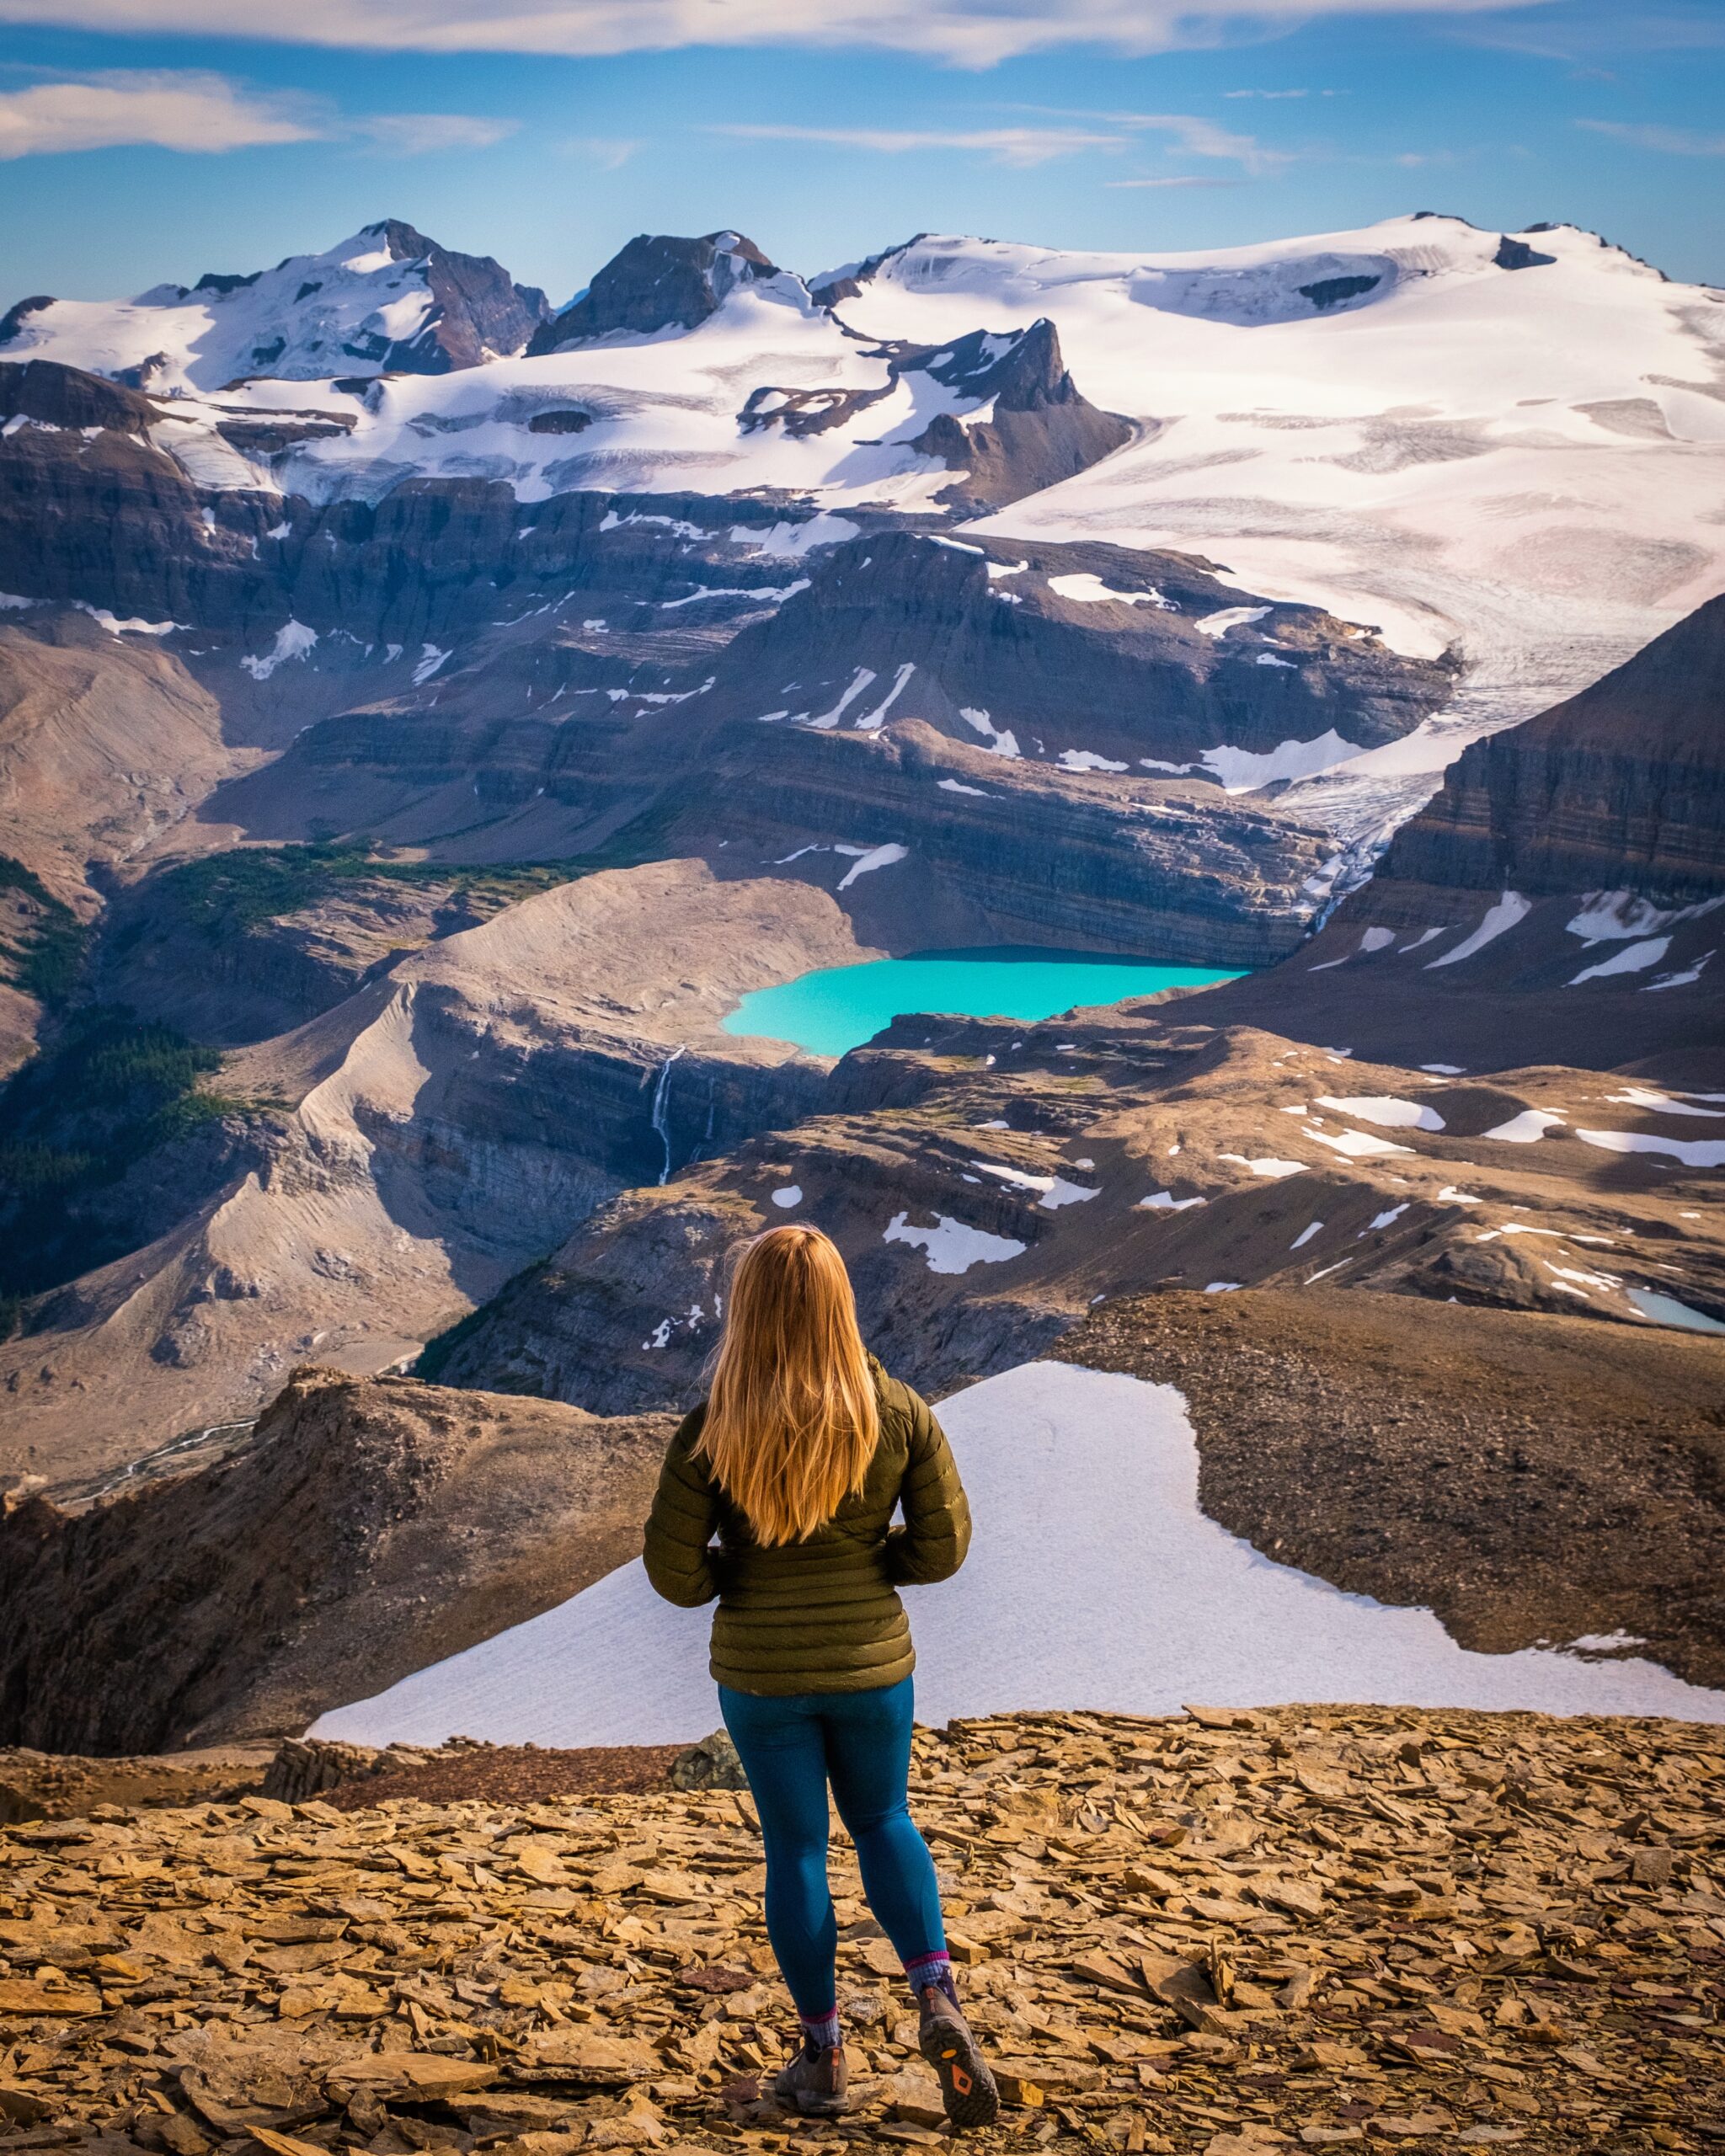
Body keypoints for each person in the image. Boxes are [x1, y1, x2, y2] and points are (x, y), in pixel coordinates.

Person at [643, 1223, 999, 2127]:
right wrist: (870, 1564)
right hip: (872, 1663)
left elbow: (674, 1577)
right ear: (841, 1302)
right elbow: (943, 1547)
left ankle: (822, 2055)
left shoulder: (712, 1430)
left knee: (795, 1849)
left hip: (760, 1674)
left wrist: (746, 1577)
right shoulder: (896, 1410)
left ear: (747, 1309)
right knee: (883, 1818)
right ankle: (935, 2000)